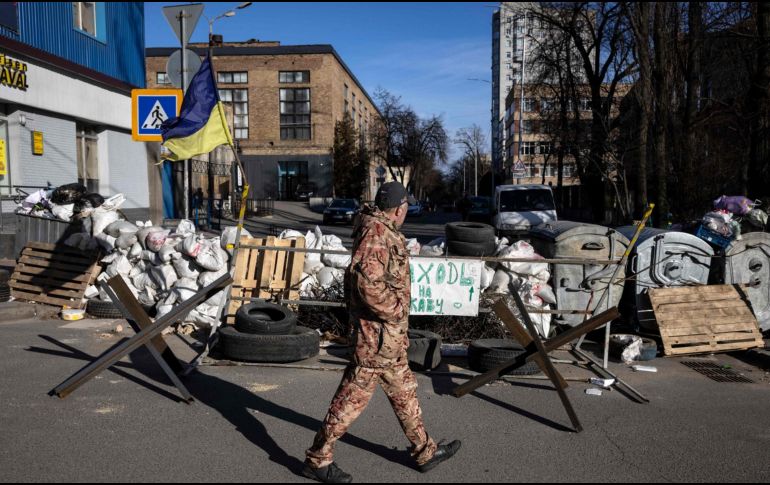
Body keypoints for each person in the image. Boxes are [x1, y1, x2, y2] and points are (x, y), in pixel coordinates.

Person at [303, 182, 461, 483]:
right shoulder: (377, 234)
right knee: (350, 400)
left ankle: (424, 451)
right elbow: (367, 285)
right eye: (406, 207)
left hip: (389, 339)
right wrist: (397, 310)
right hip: (376, 338)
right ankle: (317, 459)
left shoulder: (382, 229)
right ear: (400, 208)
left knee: (404, 391)